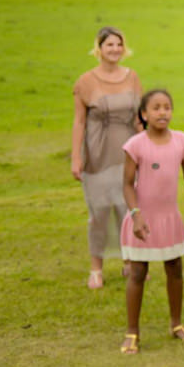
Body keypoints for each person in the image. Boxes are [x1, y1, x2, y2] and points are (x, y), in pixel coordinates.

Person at [119, 89, 184, 354]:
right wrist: (136, 214)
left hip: (170, 219)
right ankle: (132, 331)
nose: (162, 112)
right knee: (137, 272)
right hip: (142, 219)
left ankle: (176, 324)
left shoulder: (181, 142)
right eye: (156, 108)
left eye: (167, 107)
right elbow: (126, 184)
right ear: (144, 114)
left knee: (175, 269)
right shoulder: (135, 145)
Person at [71, 26, 141, 290]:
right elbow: (79, 122)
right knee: (99, 211)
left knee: (128, 209)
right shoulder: (85, 82)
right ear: (98, 49)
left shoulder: (132, 77)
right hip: (98, 153)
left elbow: (139, 118)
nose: (115, 49)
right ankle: (96, 268)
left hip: (127, 151)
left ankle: (130, 261)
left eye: (119, 45)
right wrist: (76, 157)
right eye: (109, 45)